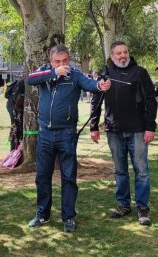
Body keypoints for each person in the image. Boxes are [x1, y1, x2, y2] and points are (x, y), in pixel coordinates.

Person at [27, 44, 111, 232]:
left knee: (68, 177)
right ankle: (43, 214)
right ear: (51, 61)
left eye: (65, 61)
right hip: (45, 134)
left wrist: (100, 85)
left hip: (66, 133)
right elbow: (30, 80)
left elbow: (91, 84)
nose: (62, 64)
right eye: (57, 61)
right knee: (42, 176)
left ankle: (69, 217)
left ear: (69, 59)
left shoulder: (75, 75)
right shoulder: (44, 72)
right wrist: (53, 72)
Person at [89, 41, 157, 226]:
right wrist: (93, 126)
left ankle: (143, 208)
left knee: (141, 171)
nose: (122, 56)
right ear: (111, 56)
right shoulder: (105, 74)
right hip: (114, 131)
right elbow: (96, 101)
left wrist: (150, 127)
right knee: (120, 171)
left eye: (125, 52)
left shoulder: (140, 73)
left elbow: (151, 101)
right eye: (118, 53)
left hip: (138, 130)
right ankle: (123, 205)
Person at [8, 77, 26, 151]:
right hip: (18, 111)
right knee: (17, 131)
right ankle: (15, 151)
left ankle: (14, 150)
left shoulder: (21, 82)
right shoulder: (22, 83)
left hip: (16, 109)